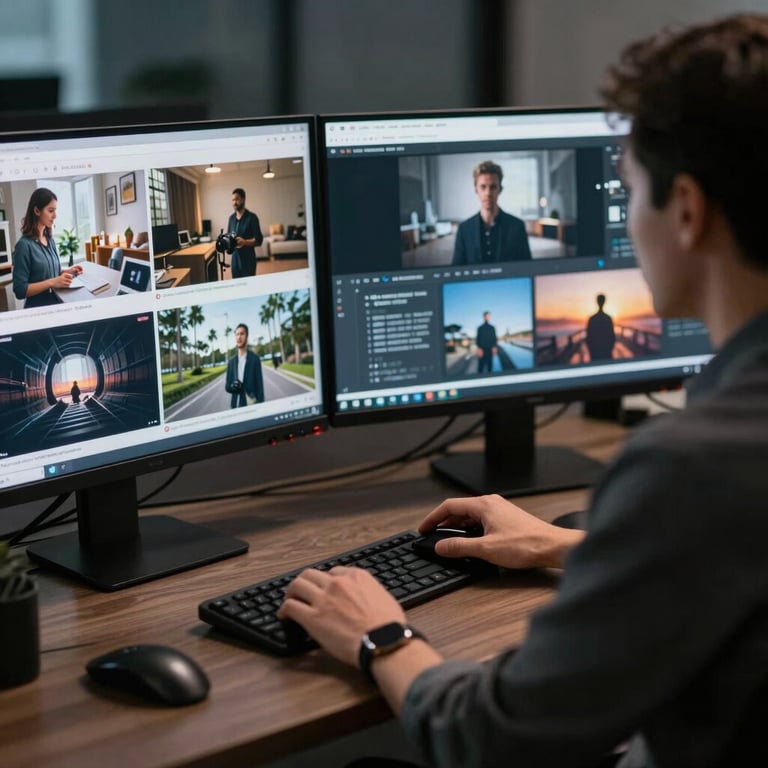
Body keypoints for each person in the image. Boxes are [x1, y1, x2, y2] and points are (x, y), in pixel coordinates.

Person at [278, 14, 768, 767]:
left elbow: (494, 737)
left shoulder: (693, 465)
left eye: (629, 190)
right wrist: (571, 545)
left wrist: (380, 634)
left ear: (690, 212)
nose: (625, 217)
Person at [12, 188, 82, 308]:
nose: (55, 215)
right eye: (51, 211)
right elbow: (19, 290)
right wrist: (53, 282)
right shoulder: (23, 246)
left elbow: (50, 272)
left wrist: (68, 271)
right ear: (37, 211)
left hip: (58, 303)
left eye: (55, 210)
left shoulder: (50, 240)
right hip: (38, 310)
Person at [452, 160, 532, 265]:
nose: (488, 193)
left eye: (493, 187)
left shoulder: (517, 226)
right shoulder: (464, 229)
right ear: (476, 190)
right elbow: (456, 270)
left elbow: (527, 268)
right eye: (483, 187)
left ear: (500, 189)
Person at [226, 188, 263, 278]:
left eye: (237, 199)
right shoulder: (231, 218)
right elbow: (229, 236)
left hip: (248, 260)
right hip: (235, 261)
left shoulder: (252, 218)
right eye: (233, 200)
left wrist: (245, 242)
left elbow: (259, 240)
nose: (234, 202)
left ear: (243, 199)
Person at [225, 323, 264, 408]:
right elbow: (227, 387)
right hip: (235, 406)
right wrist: (233, 386)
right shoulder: (231, 362)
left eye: (242, 334)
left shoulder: (255, 359)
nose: (239, 337)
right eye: (237, 334)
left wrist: (261, 408)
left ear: (247, 336)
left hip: (252, 405)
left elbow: (260, 388)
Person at [585, 293, 616, 361]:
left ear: (597, 302)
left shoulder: (592, 319)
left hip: (595, 352)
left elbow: (588, 338)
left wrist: (591, 351)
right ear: (604, 302)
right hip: (606, 352)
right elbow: (612, 337)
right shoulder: (608, 318)